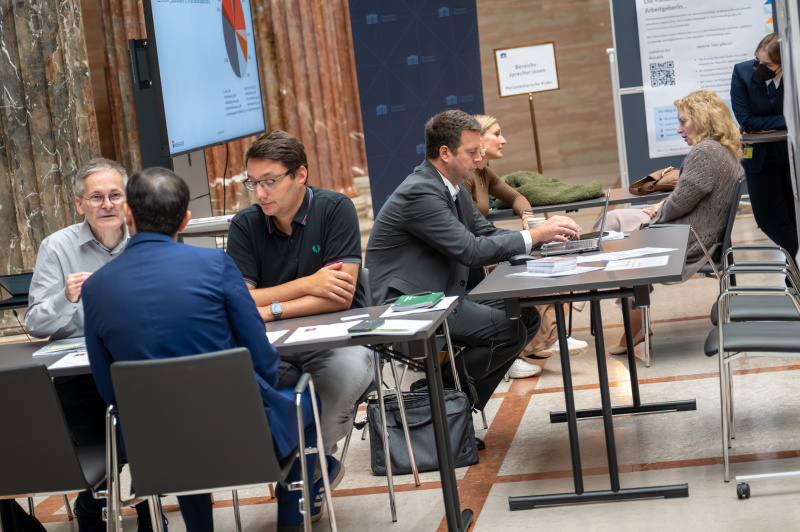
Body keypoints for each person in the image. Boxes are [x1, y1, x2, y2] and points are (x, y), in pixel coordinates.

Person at [81, 167, 321, 531]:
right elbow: (263, 359)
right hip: (240, 437)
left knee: (175, 425)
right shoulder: (215, 265)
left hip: (152, 451)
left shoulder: (95, 288)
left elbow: (107, 388)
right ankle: (292, 517)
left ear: (128, 214)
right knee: (308, 398)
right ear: (186, 221)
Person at [365, 109, 582, 411]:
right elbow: (470, 249)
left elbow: (485, 231)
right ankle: (438, 401)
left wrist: (539, 238)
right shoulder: (421, 192)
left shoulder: (451, 187)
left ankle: (450, 405)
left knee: (526, 316)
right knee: (509, 330)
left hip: (440, 294)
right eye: (472, 152)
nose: (479, 159)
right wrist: (535, 237)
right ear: (445, 153)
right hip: (408, 304)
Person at [226, 130, 372, 484]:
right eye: (253, 183)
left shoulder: (335, 209)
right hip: (271, 347)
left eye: (270, 182)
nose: (260, 193)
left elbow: (339, 295)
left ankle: (311, 466)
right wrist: (308, 284)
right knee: (230, 387)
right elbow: (239, 299)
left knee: (336, 386)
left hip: (338, 341)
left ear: (300, 175)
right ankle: (296, 469)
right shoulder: (245, 225)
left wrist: (269, 307)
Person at [16, 158, 153, 532]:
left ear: (128, 201)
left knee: (150, 434)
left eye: (115, 195)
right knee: (95, 439)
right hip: (79, 375)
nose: (106, 204)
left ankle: (148, 514)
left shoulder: (148, 239)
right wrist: (66, 296)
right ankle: (93, 504)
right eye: (96, 197)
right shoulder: (57, 248)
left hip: (138, 368)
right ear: (80, 204)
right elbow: (35, 323)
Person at [597, 90, 744, 354]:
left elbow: (680, 203)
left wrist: (653, 219)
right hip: (698, 232)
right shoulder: (722, 150)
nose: (679, 129)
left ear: (703, 119)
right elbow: (687, 196)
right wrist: (660, 207)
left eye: (683, 122)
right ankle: (617, 313)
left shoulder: (705, 152)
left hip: (688, 239)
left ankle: (583, 302)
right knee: (611, 222)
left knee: (613, 240)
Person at [465, 114, 589, 380]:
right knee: (530, 265)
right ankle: (518, 354)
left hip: (486, 245)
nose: (503, 140)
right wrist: (530, 235)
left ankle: (545, 340)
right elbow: (468, 235)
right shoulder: (465, 178)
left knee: (540, 258)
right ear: (478, 140)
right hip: (475, 255)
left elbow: (517, 197)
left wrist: (526, 220)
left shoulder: (484, 172)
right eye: (497, 134)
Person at [731, 32, 798, 260]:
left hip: (793, 156)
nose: (759, 67)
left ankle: (795, 278)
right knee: (769, 220)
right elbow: (747, 121)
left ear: (782, 64)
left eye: (768, 64)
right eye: (757, 61)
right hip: (759, 157)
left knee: (795, 215)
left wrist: (768, 125)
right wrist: (789, 120)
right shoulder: (741, 73)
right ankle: (798, 258)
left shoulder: (795, 74)